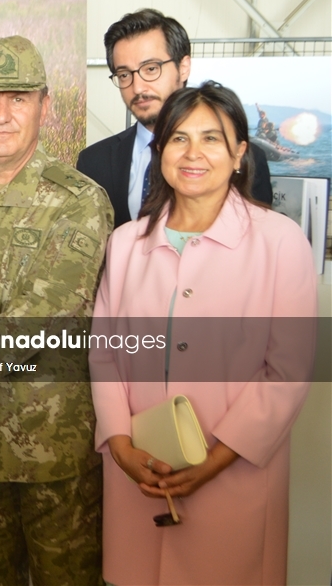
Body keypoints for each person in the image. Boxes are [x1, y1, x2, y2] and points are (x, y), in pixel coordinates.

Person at [89, 81, 316, 586]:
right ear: (160, 151)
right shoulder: (126, 244)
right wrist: (121, 444)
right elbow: (105, 353)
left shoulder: (279, 243)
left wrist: (215, 461)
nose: (193, 153)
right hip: (139, 472)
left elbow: (288, 371)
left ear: (239, 153)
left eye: (211, 139)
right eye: (178, 139)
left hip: (234, 472)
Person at [0, 36, 112, 584]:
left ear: (45, 105)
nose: (2, 114)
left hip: (53, 457)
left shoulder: (79, 199)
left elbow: (41, 324)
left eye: (18, 97)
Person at [77, 8, 272, 227]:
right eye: (124, 75)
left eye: (151, 69)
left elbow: (257, 242)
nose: (138, 87)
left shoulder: (244, 158)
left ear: (184, 67)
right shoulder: (93, 162)